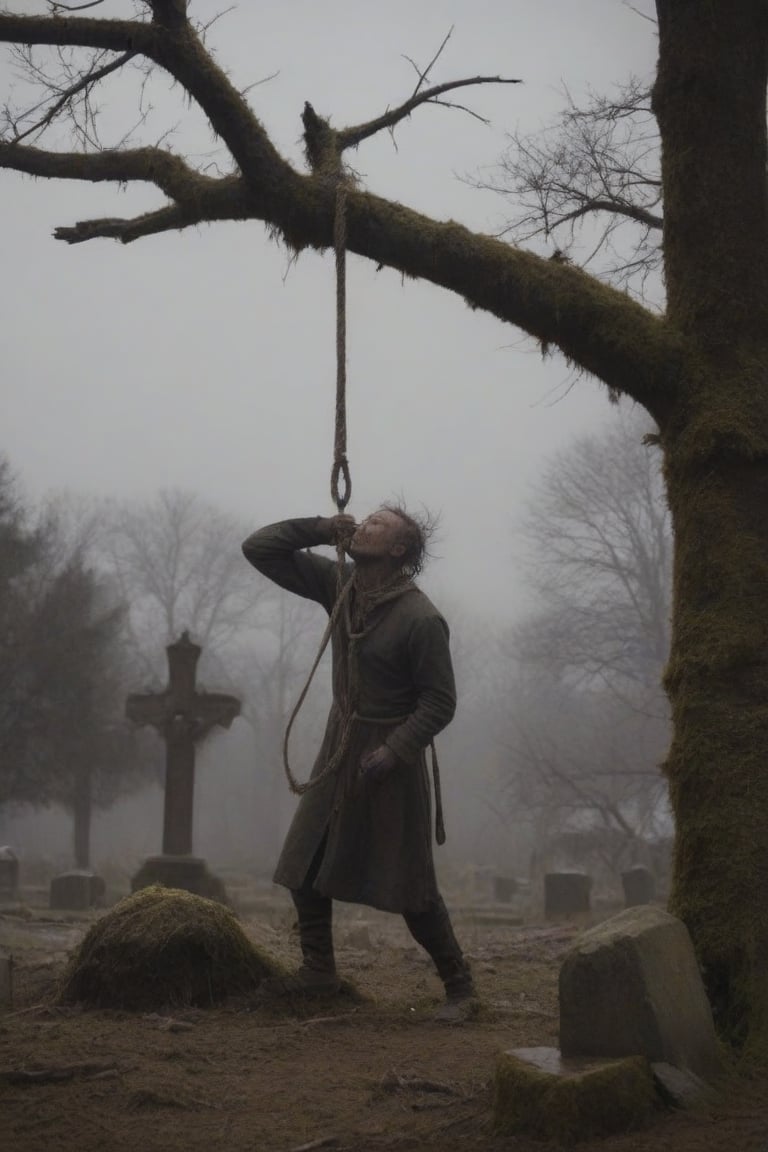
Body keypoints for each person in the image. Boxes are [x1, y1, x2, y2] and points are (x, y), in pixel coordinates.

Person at [242, 506, 475, 1018]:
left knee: (411, 883)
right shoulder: (341, 586)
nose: (364, 523)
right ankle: (319, 973)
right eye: (364, 518)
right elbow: (259, 547)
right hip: (340, 745)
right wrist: (320, 528)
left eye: (378, 524)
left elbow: (440, 701)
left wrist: (394, 751)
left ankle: (460, 988)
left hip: (391, 758)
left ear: (398, 550)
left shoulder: (421, 619)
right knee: (303, 861)